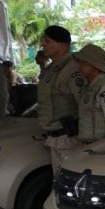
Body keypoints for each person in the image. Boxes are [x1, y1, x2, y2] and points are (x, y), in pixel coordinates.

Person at [36, 25, 86, 168]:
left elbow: (86, 104)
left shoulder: (73, 68)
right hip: (56, 138)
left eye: (47, 41)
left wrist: (84, 139)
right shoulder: (52, 68)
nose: (43, 44)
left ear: (63, 44)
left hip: (71, 140)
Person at [72, 44, 105, 145]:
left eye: (83, 62)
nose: (79, 66)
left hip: (101, 147)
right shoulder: (89, 88)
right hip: (89, 147)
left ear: (94, 66)